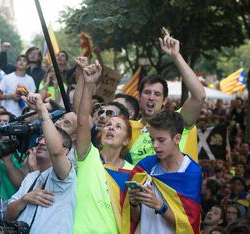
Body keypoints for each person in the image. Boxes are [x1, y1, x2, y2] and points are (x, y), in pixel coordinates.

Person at [128, 27, 205, 165]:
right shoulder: (127, 129)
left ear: (164, 100)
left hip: (177, 186)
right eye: (147, 93)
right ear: (139, 97)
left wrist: (176, 56)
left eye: (157, 94)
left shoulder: (177, 122)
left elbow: (199, 96)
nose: (151, 98)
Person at [73, 59, 134, 234]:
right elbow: (83, 120)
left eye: (118, 126)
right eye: (108, 125)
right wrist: (89, 84)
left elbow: (134, 216)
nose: (110, 128)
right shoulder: (87, 155)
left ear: (125, 140)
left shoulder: (132, 173)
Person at [6, 93, 76, 233]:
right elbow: (8, 215)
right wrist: (24, 199)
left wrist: (42, 109)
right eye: (41, 138)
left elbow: (55, 151)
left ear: (66, 151)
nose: (43, 142)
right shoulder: (31, 177)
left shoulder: (65, 176)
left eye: (48, 140)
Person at [127, 110, 202, 233]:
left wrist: (159, 205)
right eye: (152, 140)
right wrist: (133, 204)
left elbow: (189, 225)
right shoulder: (144, 167)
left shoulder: (191, 172)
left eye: (161, 140)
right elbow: (135, 218)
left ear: (177, 138)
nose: (155, 145)